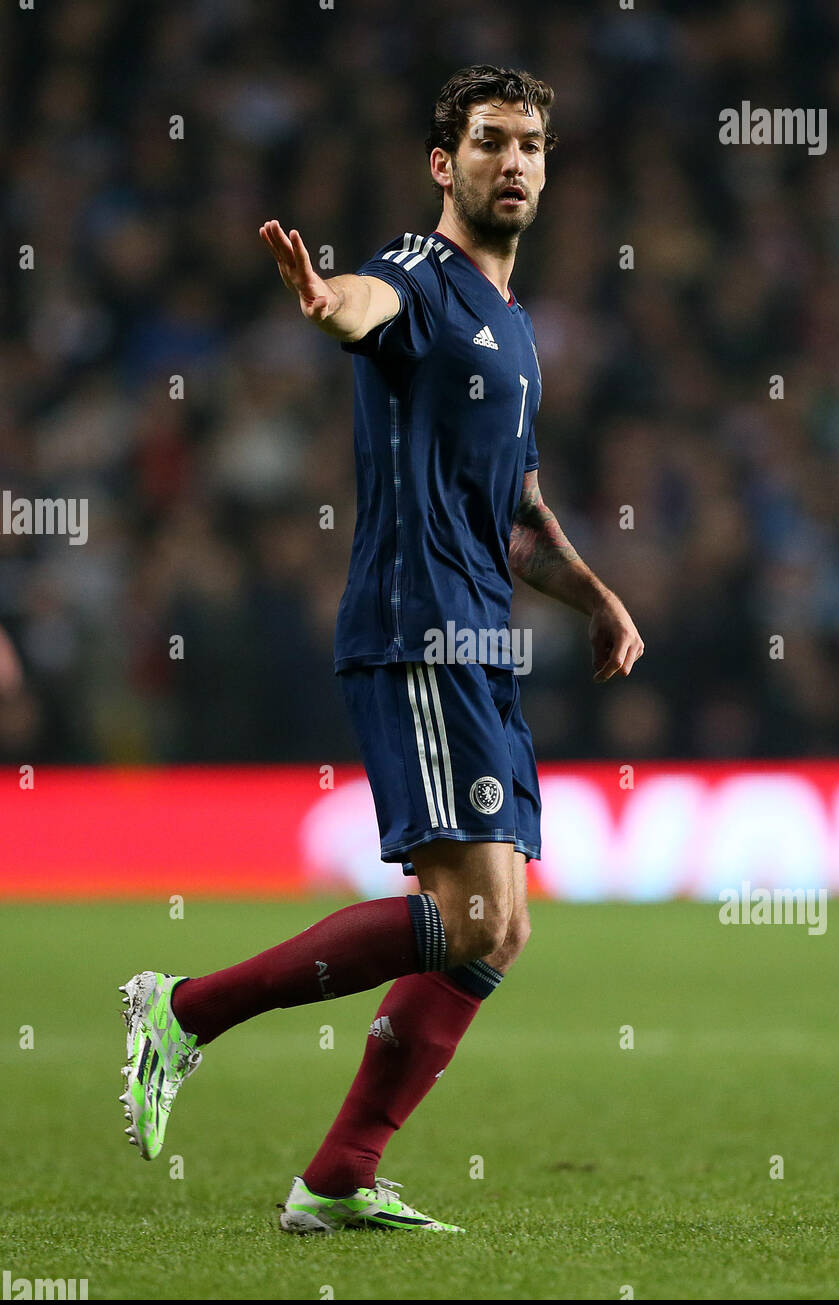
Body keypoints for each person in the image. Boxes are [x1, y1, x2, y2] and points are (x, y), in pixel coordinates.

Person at [119, 64, 643, 1234]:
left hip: (481, 641)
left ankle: (340, 1176)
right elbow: (364, 303)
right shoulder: (418, 274)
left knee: (499, 925)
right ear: (441, 161)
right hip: (415, 631)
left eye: (532, 145)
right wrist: (325, 300)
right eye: (491, 141)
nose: (514, 162)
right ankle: (183, 1011)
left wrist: (597, 596)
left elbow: (520, 512)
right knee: (468, 920)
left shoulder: (512, 330)